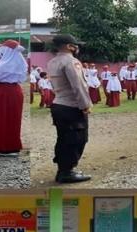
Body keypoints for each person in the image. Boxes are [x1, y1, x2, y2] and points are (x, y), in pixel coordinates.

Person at [46, 34, 93, 184]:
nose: (76, 47)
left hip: (58, 104)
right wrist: (85, 104)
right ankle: (67, 172)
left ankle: (63, 169)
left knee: (63, 138)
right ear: (68, 46)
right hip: (71, 106)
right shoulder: (71, 62)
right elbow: (78, 85)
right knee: (77, 139)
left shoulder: (52, 62)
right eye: (74, 45)